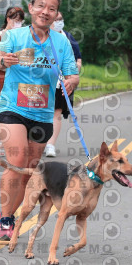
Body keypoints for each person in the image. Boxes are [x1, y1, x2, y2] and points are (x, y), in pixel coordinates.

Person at [0, 0, 79, 241]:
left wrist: (71, 81)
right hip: (12, 108)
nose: (45, 11)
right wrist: (4, 60)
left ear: (55, 15)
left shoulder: (60, 42)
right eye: (41, 6)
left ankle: (13, 215)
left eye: (51, 9)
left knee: (29, 170)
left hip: (42, 114)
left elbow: (72, 72)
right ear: (31, 8)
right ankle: (5, 220)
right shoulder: (15, 36)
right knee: (17, 159)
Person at [0, 7, 25, 155]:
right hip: (2, 78)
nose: (18, 23)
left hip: (21, 80)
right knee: (1, 111)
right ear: (8, 19)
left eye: (21, 21)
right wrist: (3, 61)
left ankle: (18, 141)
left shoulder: (24, 37)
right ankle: (0, 140)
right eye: (15, 20)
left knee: (20, 110)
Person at [44, 11, 82, 157]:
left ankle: (50, 145)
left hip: (61, 82)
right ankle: (38, 141)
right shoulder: (41, 37)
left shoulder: (68, 38)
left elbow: (78, 59)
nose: (59, 21)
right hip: (41, 83)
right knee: (39, 113)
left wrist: (72, 75)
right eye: (56, 19)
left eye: (61, 19)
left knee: (56, 112)